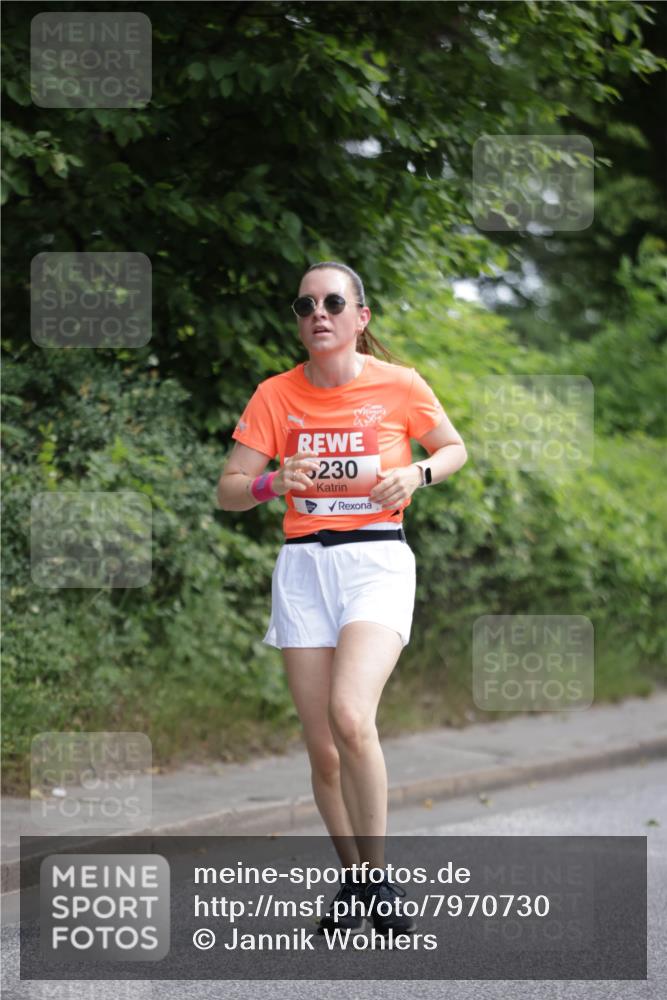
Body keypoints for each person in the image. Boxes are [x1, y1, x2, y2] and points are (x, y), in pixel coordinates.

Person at [217, 261, 467, 936]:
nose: (317, 312)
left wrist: (414, 473)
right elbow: (229, 489)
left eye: (332, 301)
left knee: (349, 716)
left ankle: (379, 876)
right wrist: (275, 482)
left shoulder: (399, 385)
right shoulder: (275, 395)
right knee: (322, 747)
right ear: (299, 320)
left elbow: (452, 449)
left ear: (360, 317)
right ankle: (353, 879)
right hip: (303, 569)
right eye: (305, 304)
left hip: (376, 562)